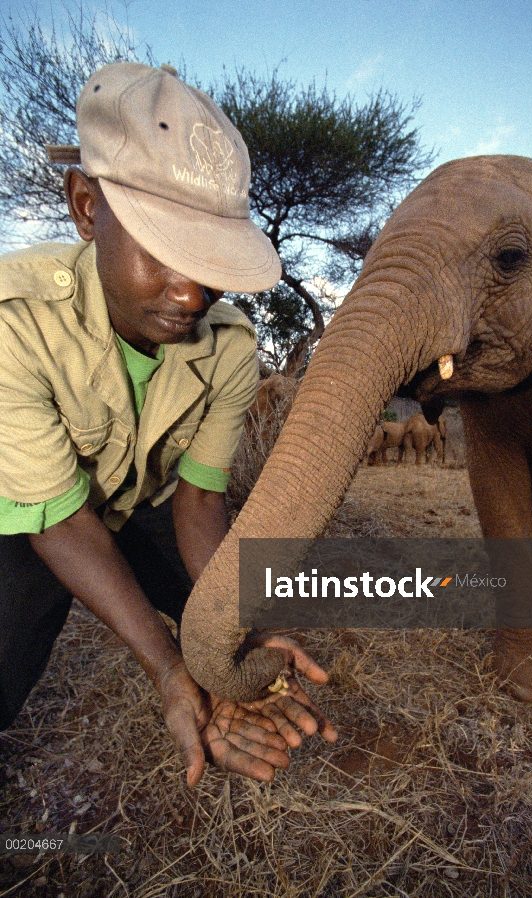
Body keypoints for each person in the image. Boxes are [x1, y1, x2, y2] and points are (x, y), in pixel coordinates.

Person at [0, 61, 336, 785]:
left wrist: (231, 638)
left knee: (221, 629)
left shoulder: (230, 346)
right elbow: (57, 518)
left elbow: (198, 498)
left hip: (136, 506)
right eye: (162, 250)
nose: (192, 293)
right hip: (30, 515)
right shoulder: (14, 323)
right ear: (86, 207)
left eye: (210, 260)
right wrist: (166, 666)